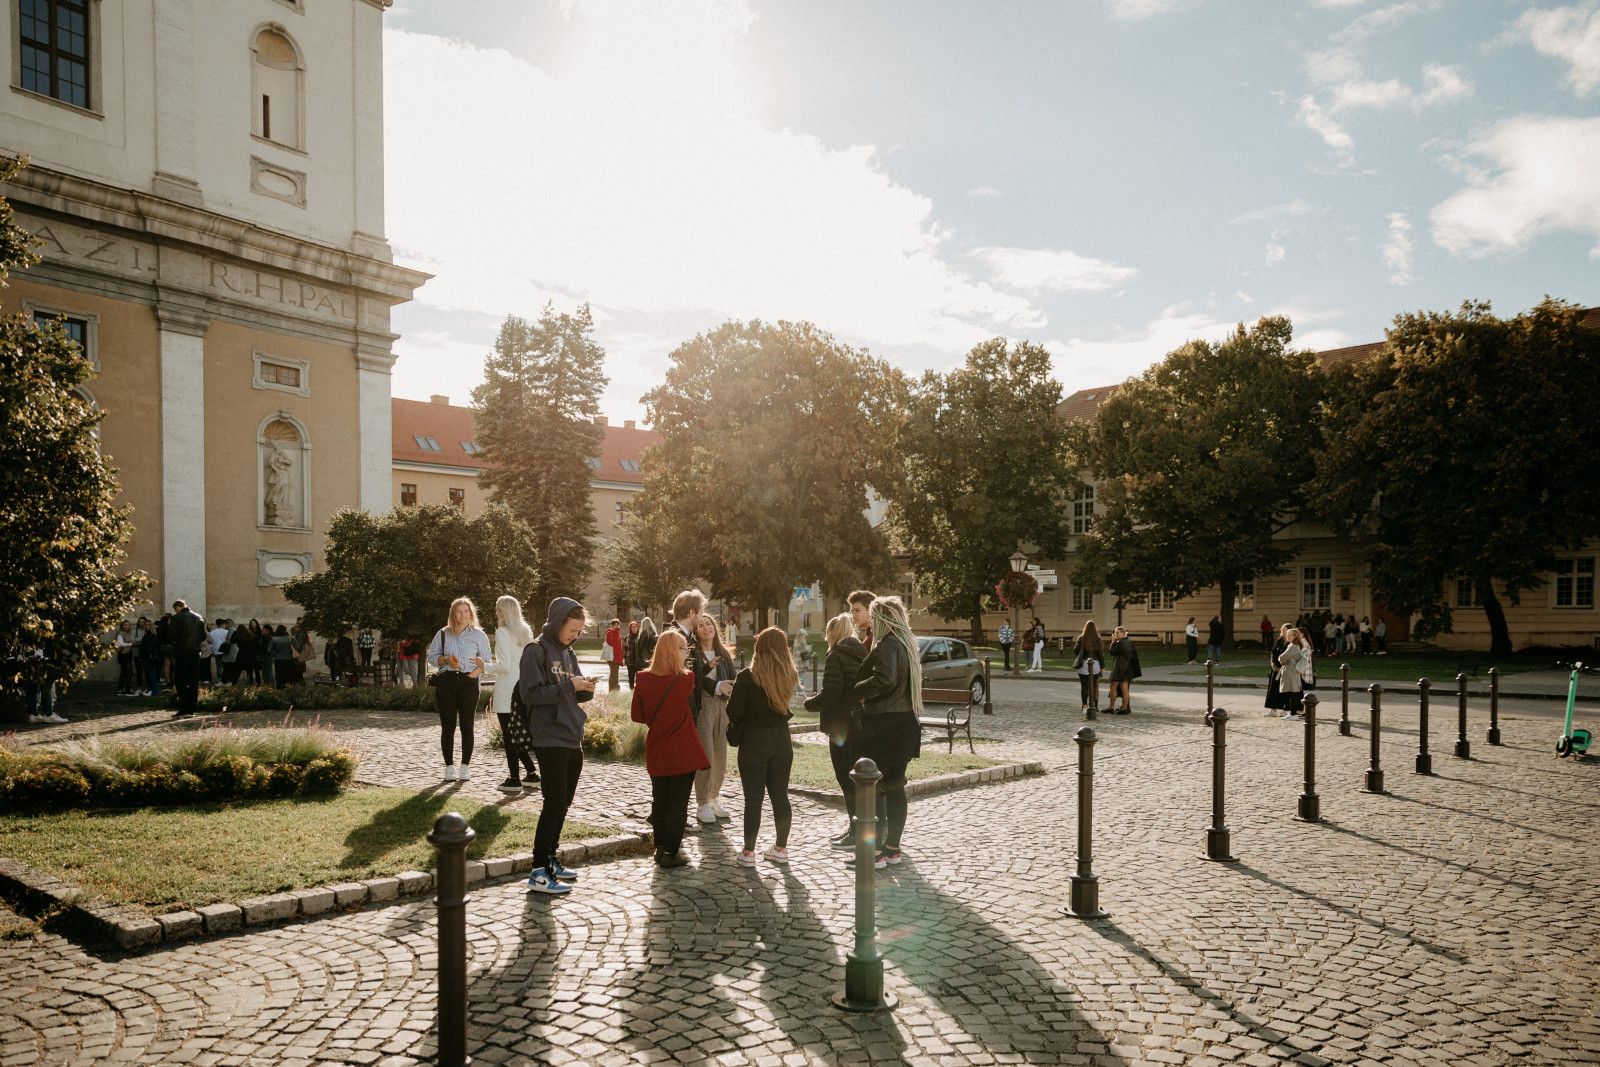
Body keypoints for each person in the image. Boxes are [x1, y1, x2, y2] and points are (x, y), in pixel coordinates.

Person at [520, 597, 597, 895]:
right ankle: (538, 871)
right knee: (553, 802)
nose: (574, 636)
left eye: (578, 632)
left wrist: (585, 689)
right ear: (557, 622)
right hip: (548, 736)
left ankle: (551, 858)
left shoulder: (569, 652)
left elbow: (572, 695)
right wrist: (569, 686)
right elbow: (530, 695)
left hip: (571, 734)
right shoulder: (535, 651)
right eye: (571, 629)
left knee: (563, 802)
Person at [850, 596, 922, 867]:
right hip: (905, 723)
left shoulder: (887, 644)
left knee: (873, 790)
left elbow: (885, 678)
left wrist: (856, 691)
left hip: (884, 725)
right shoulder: (908, 645)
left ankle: (875, 854)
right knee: (895, 788)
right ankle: (892, 849)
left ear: (882, 618)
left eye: (874, 617)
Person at [632, 629, 709, 868]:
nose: (687, 652)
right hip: (682, 749)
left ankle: (660, 848)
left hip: (657, 747)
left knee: (659, 801)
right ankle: (672, 853)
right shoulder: (685, 678)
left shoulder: (642, 678)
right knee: (678, 803)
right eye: (684, 648)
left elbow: (637, 715)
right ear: (673, 651)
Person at [726, 627, 797, 866]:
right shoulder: (789, 674)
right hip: (781, 740)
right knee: (780, 796)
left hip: (754, 742)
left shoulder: (747, 677)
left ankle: (748, 852)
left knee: (753, 799)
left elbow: (733, 711)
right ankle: (781, 848)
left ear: (759, 648)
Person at [806, 612, 868, 850]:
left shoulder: (836, 655)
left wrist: (811, 703)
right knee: (858, 779)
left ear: (832, 633)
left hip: (841, 725)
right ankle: (858, 827)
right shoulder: (861, 652)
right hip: (860, 722)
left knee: (845, 778)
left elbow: (832, 691)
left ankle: (856, 831)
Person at [481, 595, 540, 796]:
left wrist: (484, 666)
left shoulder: (503, 632)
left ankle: (514, 778)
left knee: (509, 736)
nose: (496, 613)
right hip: (523, 686)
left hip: (507, 689)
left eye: (497, 609)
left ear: (504, 611)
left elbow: (504, 666)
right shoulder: (526, 631)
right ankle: (531, 773)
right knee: (517, 732)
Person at [428, 598, 490, 781]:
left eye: (466, 611)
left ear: (471, 613)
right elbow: (432, 658)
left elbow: (487, 661)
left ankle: (465, 766)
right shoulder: (443, 634)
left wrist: (472, 676)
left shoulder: (479, 635)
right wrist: (446, 660)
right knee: (447, 727)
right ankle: (449, 767)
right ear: (453, 614)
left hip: (469, 683)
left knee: (467, 726)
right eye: (459, 611)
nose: (463, 615)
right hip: (446, 682)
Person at [692, 612, 736, 825]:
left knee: (720, 755)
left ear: (714, 627)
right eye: (700, 625)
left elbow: (733, 679)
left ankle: (713, 797)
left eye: (708, 624)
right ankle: (701, 802)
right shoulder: (695, 653)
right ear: (696, 630)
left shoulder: (723, 653)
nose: (705, 627)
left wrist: (730, 689)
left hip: (722, 708)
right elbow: (695, 680)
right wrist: (715, 683)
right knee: (706, 755)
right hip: (703, 707)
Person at [170, 599, 207, 718]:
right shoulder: (199, 617)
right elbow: (203, 636)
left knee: (181, 681)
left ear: (177, 607)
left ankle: (184, 708)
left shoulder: (177, 618)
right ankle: (192, 709)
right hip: (195, 652)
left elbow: (172, 635)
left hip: (182, 652)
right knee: (193, 681)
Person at [1106, 626, 1140, 714]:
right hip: (1127, 667)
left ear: (1123, 633)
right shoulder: (1129, 642)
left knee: (1113, 686)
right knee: (1124, 687)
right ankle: (1124, 708)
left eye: (1117, 633)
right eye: (1115, 633)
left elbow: (1112, 651)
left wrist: (1113, 642)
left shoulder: (1121, 643)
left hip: (1119, 668)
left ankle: (1111, 707)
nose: (1115, 634)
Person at [1263, 623, 1293, 716]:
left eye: (1283, 630)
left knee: (1285, 690)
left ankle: (1286, 709)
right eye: (1281, 630)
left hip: (1286, 670)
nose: (1281, 631)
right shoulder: (1279, 640)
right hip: (1275, 669)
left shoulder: (1291, 642)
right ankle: (1273, 709)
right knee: (1273, 689)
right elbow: (1273, 652)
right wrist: (1273, 663)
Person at [1073, 621, 1103, 714]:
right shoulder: (1097, 639)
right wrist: (1102, 665)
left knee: (1084, 686)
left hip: (1084, 663)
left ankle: (1085, 706)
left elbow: (1075, 650)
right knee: (1093, 686)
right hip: (1095, 663)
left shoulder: (1081, 638)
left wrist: (1082, 651)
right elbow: (1100, 653)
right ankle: (1092, 705)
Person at [1276, 628, 1305, 719]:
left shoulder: (1293, 647)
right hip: (1292, 671)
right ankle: (1292, 713)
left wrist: (1283, 660)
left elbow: (1281, 657)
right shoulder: (1294, 645)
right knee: (1291, 692)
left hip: (1290, 671)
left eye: (1289, 635)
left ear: (1294, 636)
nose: (1287, 636)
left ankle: (1293, 714)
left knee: (1292, 693)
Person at [135, 616, 159, 696]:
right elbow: (143, 647)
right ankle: (150, 689)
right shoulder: (146, 636)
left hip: (150, 657)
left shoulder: (153, 636)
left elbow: (149, 648)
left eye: (148, 624)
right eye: (146, 624)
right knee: (148, 675)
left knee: (151, 675)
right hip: (146, 657)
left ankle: (154, 691)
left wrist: (143, 655)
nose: (146, 626)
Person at [269, 624, 295, 689]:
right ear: (285, 630)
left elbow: (269, 650)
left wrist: (275, 654)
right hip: (289, 660)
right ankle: (289, 691)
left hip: (279, 660)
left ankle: (279, 691)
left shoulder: (274, 639)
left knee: (279, 678)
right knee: (289, 678)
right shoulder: (291, 638)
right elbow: (297, 647)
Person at [113, 621, 136, 695]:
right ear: (122, 626)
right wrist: (130, 644)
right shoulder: (120, 633)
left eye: (128, 625)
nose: (127, 626)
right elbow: (120, 644)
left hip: (127, 653)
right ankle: (127, 690)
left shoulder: (126, 634)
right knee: (129, 672)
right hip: (124, 654)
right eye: (125, 625)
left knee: (124, 672)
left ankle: (120, 689)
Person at [207, 618, 229, 685]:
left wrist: (211, 651)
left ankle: (220, 680)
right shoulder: (226, 632)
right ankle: (226, 680)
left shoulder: (212, 632)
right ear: (223, 624)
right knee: (226, 666)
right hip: (225, 652)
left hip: (217, 651)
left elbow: (210, 643)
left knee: (219, 666)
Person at [604, 618, 624, 691]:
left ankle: (615, 688)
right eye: (614, 625)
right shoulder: (609, 633)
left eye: (617, 625)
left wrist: (621, 657)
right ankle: (611, 689)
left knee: (616, 672)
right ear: (611, 625)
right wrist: (616, 632)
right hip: (611, 656)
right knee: (613, 672)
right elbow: (613, 643)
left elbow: (619, 646)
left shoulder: (617, 633)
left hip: (617, 656)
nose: (616, 626)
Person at [623, 620, 641, 690]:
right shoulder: (627, 638)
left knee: (639, 677)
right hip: (630, 660)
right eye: (632, 627)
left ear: (637, 627)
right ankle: (631, 690)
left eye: (635, 627)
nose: (634, 628)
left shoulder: (640, 637)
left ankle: (638, 690)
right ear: (630, 629)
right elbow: (624, 649)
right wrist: (623, 659)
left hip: (638, 660)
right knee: (631, 676)